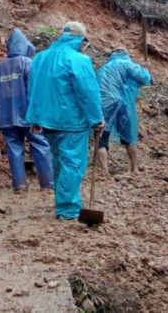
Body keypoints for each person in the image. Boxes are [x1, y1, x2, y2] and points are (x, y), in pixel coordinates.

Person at [26, 21, 105, 220]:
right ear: (80, 40)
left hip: (47, 122)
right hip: (72, 122)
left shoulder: (40, 58)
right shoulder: (79, 60)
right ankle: (68, 209)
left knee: (59, 162)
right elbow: (87, 93)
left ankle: (63, 203)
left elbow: (33, 88)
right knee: (73, 163)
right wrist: (97, 119)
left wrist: (35, 116)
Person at [0, 28, 54, 193]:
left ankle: (19, 185)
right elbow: (35, 90)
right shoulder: (28, 63)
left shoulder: (0, 67)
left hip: (6, 116)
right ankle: (47, 183)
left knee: (13, 148)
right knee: (40, 144)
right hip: (28, 114)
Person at [96, 48, 152, 176]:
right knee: (129, 135)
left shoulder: (103, 69)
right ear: (125, 54)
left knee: (101, 138)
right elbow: (143, 78)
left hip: (102, 103)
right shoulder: (126, 63)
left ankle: (104, 171)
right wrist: (146, 69)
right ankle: (134, 168)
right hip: (120, 102)